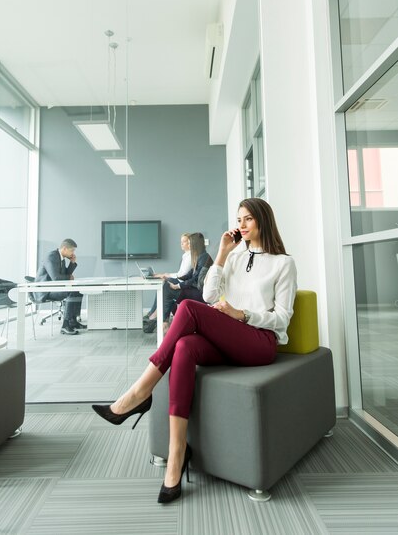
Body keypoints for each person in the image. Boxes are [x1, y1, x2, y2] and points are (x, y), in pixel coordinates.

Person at [92, 198, 297, 504]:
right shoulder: (236, 257)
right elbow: (209, 294)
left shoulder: (283, 263)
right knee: (185, 346)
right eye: (239, 219)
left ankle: (139, 392)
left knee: (187, 307)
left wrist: (241, 315)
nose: (241, 225)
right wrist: (224, 255)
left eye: (248, 219)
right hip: (231, 340)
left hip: (259, 342)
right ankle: (177, 454)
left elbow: (282, 319)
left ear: (263, 221)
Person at [160, 232, 211, 334]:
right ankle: (169, 321)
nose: (189, 244)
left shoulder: (204, 257)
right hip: (194, 288)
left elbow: (194, 279)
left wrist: (177, 286)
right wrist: (177, 278)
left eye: (190, 242)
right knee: (167, 287)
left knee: (168, 289)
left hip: (200, 293)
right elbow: (189, 274)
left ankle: (166, 322)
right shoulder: (200, 256)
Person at [143, 233, 191, 333]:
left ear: (190, 243)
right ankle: (156, 315)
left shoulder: (190, 257)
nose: (181, 243)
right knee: (164, 283)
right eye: (181, 241)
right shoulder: (186, 256)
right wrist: (165, 275)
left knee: (165, 285)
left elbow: (182, 276)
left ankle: (157, 317)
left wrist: (166, 275)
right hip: (181, 281)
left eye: (184, 241)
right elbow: (180, 274)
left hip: (184, 286)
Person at [34, 238, 84, 335]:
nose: (73, 253)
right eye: (72, 250)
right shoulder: (52, 256)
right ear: (64, 249)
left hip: (54, 288)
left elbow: (65, 275)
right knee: (71, 292)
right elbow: (56, 278)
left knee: (78, 291)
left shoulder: (61, 258)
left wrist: (72, 263)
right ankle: (65, 325)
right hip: (45, 291)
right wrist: (69, 277)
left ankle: (73, 321)